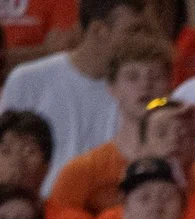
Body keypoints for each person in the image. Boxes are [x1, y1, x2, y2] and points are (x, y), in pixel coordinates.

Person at [0, 0, 148, 197]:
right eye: (133, 31)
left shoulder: (138, 91)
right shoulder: (27, 79)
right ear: (98, 30)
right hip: (35, 209)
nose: (142, 40)